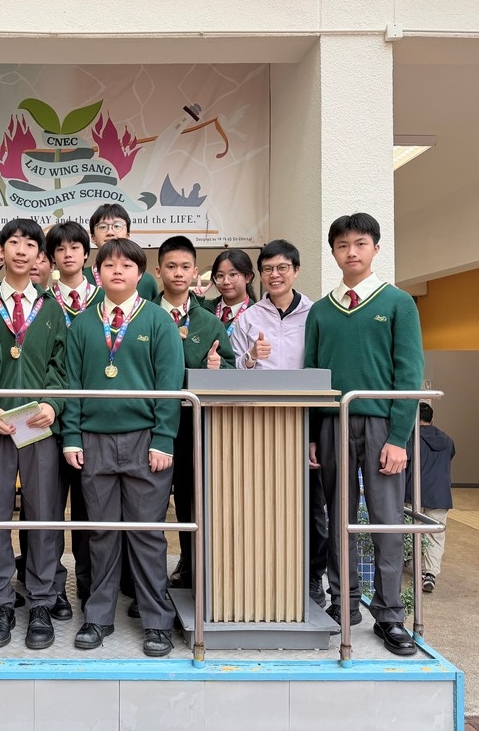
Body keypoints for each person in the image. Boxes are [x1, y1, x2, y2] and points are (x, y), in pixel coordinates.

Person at [305, 212, 424, 657]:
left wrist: (398, 437)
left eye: (359, 244)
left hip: (380, 426)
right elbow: (313, 376)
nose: (351, 252)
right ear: (333, 252)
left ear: (376, 248)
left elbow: (409, 373)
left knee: (386, 520)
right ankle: (344, 600)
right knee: (338, 515)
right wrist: (312, 433)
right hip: (332, 423)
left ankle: (390, 614)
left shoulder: (397, 303)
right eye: (342, 245)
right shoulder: (321, 311)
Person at [62, 238, 184, 658]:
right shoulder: (82, 323)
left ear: (140, 274)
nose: (117, 271)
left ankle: (156, 621)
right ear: (97, 273)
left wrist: (164, 439)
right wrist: (71, 436)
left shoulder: (157, 320)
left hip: (145, 441)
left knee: (147, 534)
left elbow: (170, 384)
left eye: (127, 265)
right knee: (101, 533)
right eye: (109, 265)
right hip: (93, 441)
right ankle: (98, 616)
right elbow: (71, 385)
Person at [0, 218, 68, 650]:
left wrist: (52, 404)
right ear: (1, 251)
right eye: (12, 242)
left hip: (39, 426)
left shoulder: (51, 308)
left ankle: (41, 603)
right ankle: (0, 602)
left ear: (39, 256)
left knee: (43, 514)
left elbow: (60, 366)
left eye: (29, 244)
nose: (20, 250)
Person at [230, 239, 327, 607]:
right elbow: (236, 371)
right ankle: (263, 573)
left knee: (311, 506)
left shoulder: (315, 314)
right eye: (268, 269)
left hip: (303, 423)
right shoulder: (248, 318)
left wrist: (314, 432)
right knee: (263, 502)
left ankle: (313, 576)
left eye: (282, 268)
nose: (275, 275)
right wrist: (251, 357)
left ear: (296, 271)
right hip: (261, 424)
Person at [153, 235, 234, 591]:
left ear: (195, 272)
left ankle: (191, 569)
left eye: (185, 266)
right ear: (158, 272)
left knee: (191, 499)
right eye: (171, 266)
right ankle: (146, 583)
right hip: (152, 423)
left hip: (194, 426)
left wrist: (218, 368)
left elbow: (230, 370)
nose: (178, 273)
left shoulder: (209, 322)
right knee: (150, 504)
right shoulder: (143, 315)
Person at [45, 220, 99, 605]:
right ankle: (51, 588)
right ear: (51, 257)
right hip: (48, 420)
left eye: (74, 247)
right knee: (46, 509)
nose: (68, 254)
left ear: (86, 253)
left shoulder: (105, 300)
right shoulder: (40, 301)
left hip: (90, 420)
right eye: (60, 249)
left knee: (89, 510)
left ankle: (90, 584)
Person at [405, 402, 455, 594]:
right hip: (440, 495)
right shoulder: (448, 440)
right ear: (432, 419)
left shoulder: (410, 438)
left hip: (414, 493)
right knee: (435, 535)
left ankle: (408, 560)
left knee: (411, 530)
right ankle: (431, 574)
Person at [83, 204, 159, 300]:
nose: (110, 232)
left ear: (128, 235)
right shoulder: (82, 278)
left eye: (117, 226)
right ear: (93, 237)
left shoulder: (147, 281)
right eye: (102, 227)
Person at [202, 249, 257, 337]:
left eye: (232, 275)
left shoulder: (256, 314)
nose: (226, 282)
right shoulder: (204, 309)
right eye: (220, 275)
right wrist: (196, 300)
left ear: (248, 277)